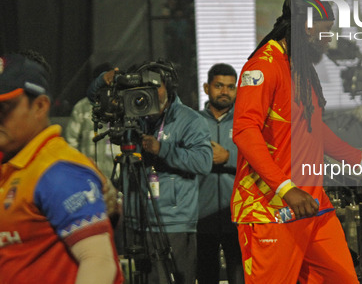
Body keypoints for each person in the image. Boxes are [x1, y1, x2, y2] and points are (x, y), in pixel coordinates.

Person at [231, 0, 362, 283]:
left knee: (344, 279)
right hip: (271, 208)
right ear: (307, 28)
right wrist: (286, 189)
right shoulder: (264, 66)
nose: (329, 42)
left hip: (312, 204)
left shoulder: (299, 67)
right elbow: (244, 132)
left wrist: (360, 159)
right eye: (326, 33)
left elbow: (313, 129)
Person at [0, 52, 123, 284]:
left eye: (4, 108)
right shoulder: (14, 163)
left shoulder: (58, 171)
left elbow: (99, 262)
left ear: (39, 106)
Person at [88, 59, 213, 284]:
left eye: (157, 86)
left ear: (169, 87)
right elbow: (97, 101)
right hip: (137, 220)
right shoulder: (131, 113)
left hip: (174, 221)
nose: (150, 92)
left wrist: (162, 149)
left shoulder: (189, 120)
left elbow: (203, 162)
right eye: (144, 87)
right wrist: (103, 80)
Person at [197, 63, 244, 284]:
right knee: (206, 276)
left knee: (240, 276)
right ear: (206, 88)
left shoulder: (246, 122)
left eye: (230, 87)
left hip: (238, 214)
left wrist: (229, 158)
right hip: (201, 216)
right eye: (219, 86)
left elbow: (261, 160)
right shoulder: (193, 122)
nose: (225, 92)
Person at [65, 62, 119, 178]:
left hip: (118, 177)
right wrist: (80, 168)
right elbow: (71, 144)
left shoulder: (121, 104)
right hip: (89, 177)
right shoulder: (82, 107)